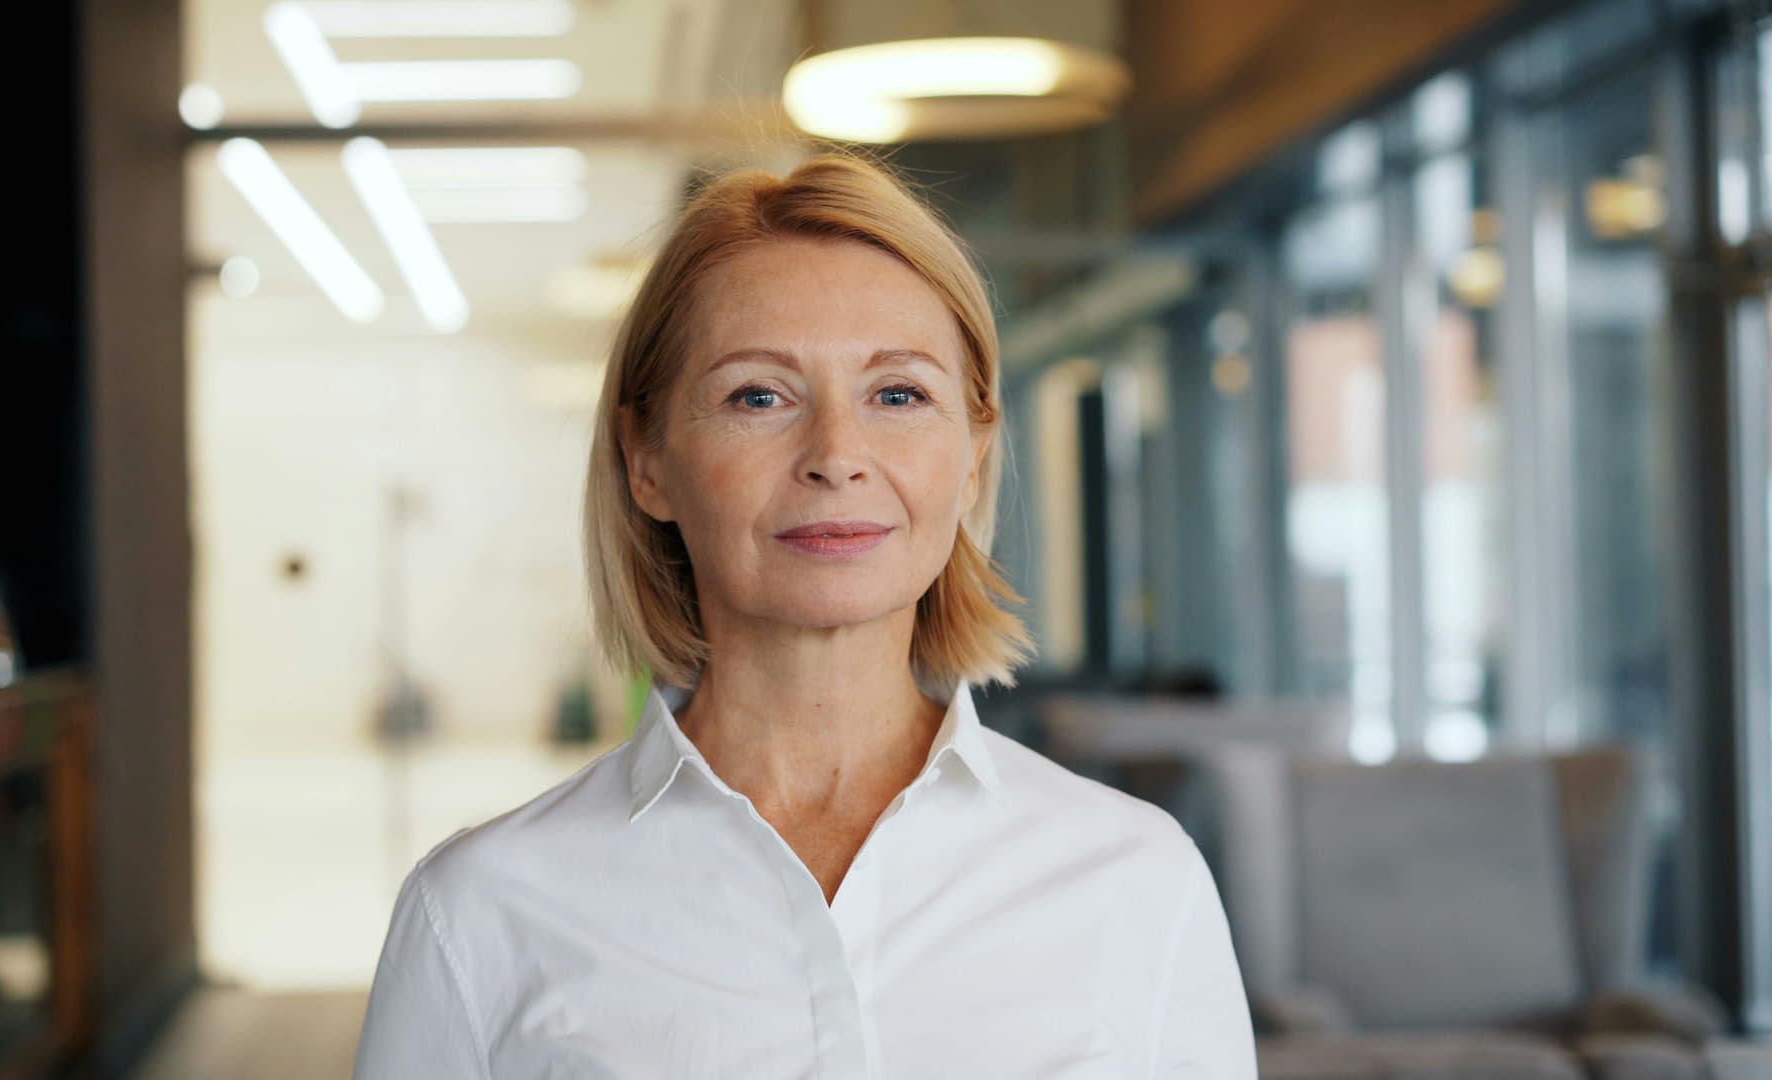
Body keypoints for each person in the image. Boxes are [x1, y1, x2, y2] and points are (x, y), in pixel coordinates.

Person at [353, 152, 1256, 1078]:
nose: (836, 455)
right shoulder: (478, 914)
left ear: (974, 458)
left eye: (898, 394)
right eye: (759, 396)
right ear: (647, 460)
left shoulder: (1137, 878)